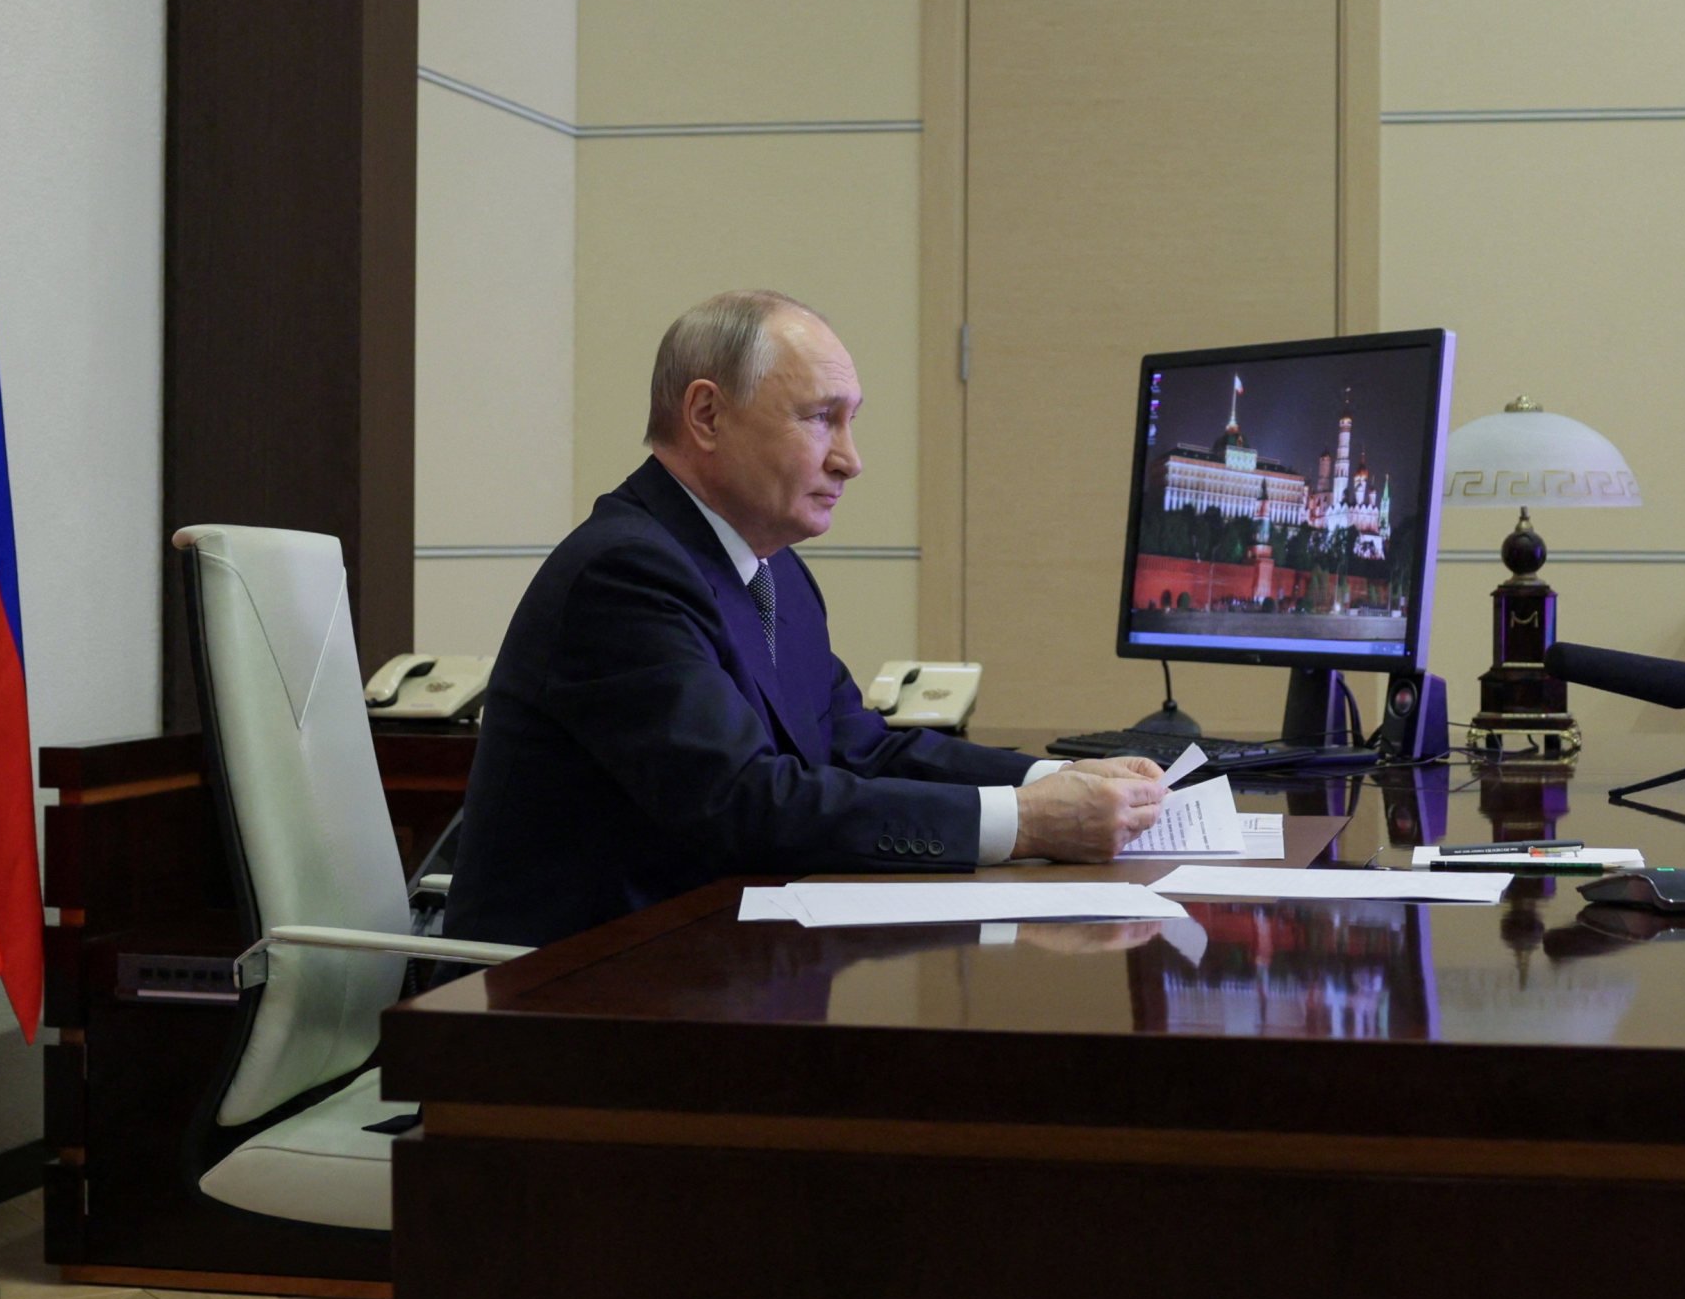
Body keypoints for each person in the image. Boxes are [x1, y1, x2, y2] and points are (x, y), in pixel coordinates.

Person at [445, 291, 1166, 944]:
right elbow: (742, 805)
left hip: (711, 970)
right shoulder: (624, 573)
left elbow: (860, 750)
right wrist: (1030, 822)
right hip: (566, 1006)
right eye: (821, 419)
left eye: (851, 421)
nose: (850, 460)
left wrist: (1059, 778)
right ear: (706, 415)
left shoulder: (773, 570)